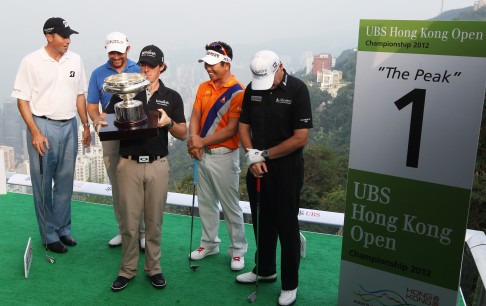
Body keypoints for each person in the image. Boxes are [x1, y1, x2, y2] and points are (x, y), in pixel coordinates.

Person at [105, 45, 187, 292]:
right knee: (129, 224)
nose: (146, 69)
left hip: (157, 166)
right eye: (143, 64)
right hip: (128, 164)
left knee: (154, 222)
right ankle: (127, 269)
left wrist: (168, 122)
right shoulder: (125, 92)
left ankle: (154, 268)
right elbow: (106, 121)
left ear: (162, 67)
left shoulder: (172, 96)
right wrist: (101, 120)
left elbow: (184, 133)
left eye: (152, 65)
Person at [236, 50, 312, 306]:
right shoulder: (252, 89)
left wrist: (263, 155)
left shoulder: (298, 90)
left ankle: (290, 284)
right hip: (257, 165)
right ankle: (265, 270)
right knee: (261, 221)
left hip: (285, 168)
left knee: (287, 226)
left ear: (280, 67)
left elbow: (300, 137)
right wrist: (251, 156)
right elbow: (243, 126)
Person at [11, 17, 91, 254]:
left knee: (65, 182)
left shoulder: (75, 59)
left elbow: (79, 95)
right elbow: (22, 100)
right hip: (42, 126)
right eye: (63, 36)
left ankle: (63, 230)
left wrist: (85, 124)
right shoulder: (31, 62)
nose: (68, 40)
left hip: (70, 125)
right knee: (43, 183)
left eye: (69, 36)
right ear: (49, 36)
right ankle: (48, 235)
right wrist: (35, 132)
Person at [187, 41, 248, 271]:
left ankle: (238, 250)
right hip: (202, 154)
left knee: (230, 204)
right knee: (206, 203)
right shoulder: (204, 87)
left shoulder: (238, 92)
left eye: (213, 64)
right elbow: (195, 115)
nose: (208, 68)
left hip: (224, 156)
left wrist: (200, 141)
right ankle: (209, 243)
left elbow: (232, 129)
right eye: (206, 64)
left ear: (226, 63)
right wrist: (194, 141)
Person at [87, 32, 146, 249]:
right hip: (111, 133)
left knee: (138, 183)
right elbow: (92, 105)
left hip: (135, 131)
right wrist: (96, 119)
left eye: (119, 52)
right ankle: (124, 231)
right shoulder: (97, 74)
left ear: (127, 49)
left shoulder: (138, 69)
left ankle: (141, 233)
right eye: (112, 52)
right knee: (118, 185)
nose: (115, 56)